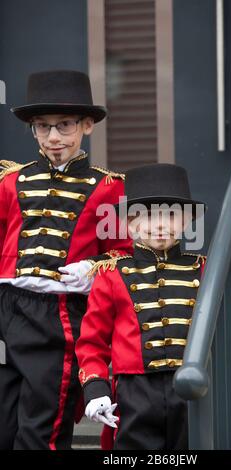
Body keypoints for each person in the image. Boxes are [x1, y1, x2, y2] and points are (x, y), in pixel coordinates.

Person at [0, 69, 132, 450]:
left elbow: (123, 253)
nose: (54, 137)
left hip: (59, 314)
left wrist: (92, 270)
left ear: (87, 125)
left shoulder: (110, 187)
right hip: (8, 307)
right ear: (33, 130)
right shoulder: (11, 181)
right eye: (43, 127)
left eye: (65, 125)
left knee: (45, 423)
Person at [76, 163, 208, 450]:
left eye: (171, 215)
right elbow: (91, 342)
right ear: (131, 223)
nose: (160, 225)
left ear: (186, 220)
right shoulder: (111, 273)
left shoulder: (204, 269)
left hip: (191, 388)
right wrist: (96, 387)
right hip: (134, 393)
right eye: (148, 216)